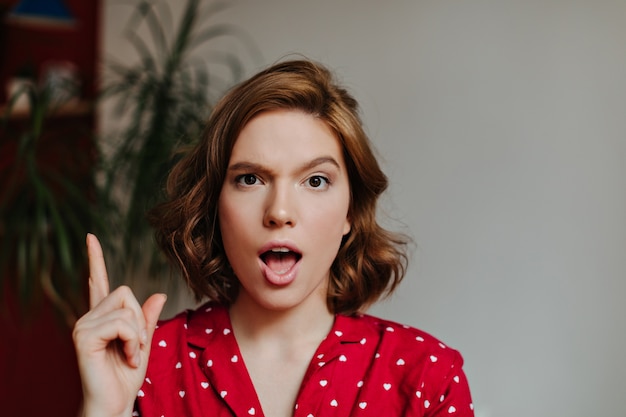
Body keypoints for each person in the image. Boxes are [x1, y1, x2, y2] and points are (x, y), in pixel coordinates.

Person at [73, 59, 474, 417]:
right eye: (250, 179)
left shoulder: (427, 378)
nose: (279, 211)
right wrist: (105, 411)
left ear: (351, 210)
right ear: (215, 203)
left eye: (315, 180)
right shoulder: (145, 365)